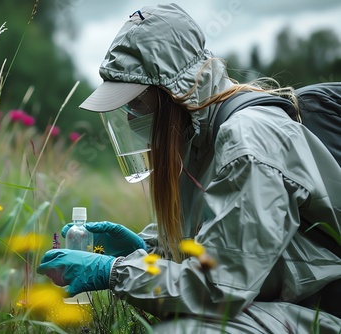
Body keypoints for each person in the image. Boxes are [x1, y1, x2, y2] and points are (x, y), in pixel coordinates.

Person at [37, 3, 341, 333]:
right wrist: (148, 249)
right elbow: (216, 245)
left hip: (322, 311)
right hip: (283, 304)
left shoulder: (247, 144)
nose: (128, 117)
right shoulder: (197, 140)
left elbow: (220, 288)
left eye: (136, 101)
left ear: (173, 91)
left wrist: (113, 271)